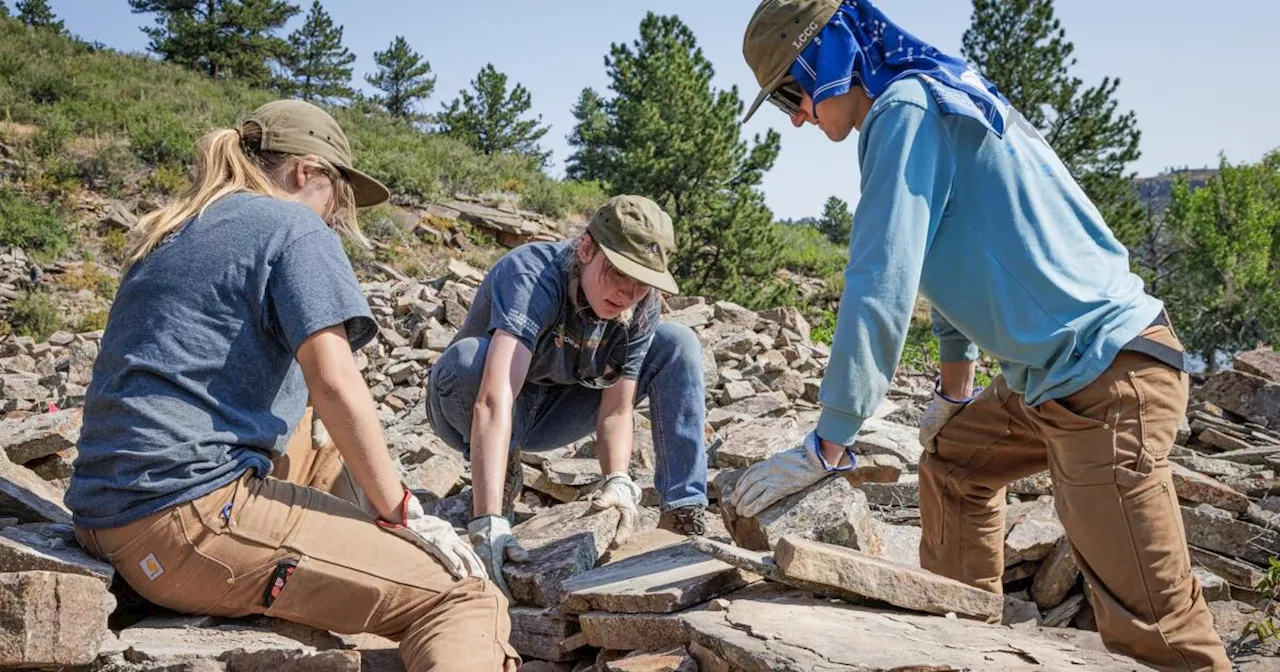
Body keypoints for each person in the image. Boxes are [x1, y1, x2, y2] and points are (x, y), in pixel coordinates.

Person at [730, 1, 1231, 670]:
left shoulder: (904, 109)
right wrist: (954, 391)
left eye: (792, 91)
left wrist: (830, 440)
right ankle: (964, 646)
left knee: (1158, 632)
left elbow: (882, 276)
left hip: (1107, 383)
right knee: (956, 460)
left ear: (831, 58)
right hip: (1063, 374)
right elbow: (951, 256)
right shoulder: (933, 95)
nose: (794, 115)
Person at [65, 99, 520, 671]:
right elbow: (334, 380)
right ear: (307, 173)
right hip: (185, 522)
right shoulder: (292, 224)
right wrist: (402, 509)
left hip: (103, 514)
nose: (335, 215)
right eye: (338, 197)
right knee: (461, 595)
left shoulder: (177, 226)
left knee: (309, 427)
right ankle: (406, 565)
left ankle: (368, 546)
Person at [426, 195, 709, 597]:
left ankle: (683, 513)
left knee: (678, 342)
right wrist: (487, 520)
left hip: (557, 411)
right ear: (586, 249)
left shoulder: (640, 303)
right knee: (471, 359)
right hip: (473, 399)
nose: (627, 293)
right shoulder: (532, 273)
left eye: (641, 282)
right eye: (617, 273)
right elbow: (493, 398)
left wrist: (617, 480)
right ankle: (498, 477)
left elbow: (616, 408)